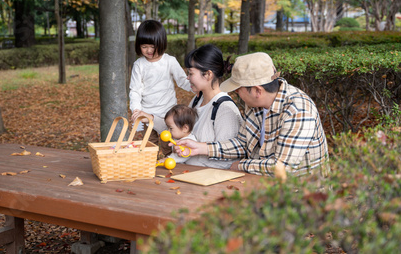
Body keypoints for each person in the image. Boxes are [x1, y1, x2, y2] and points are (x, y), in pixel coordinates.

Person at [176, 52, 330, 177]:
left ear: (257, 91)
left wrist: (240, 165)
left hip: (302, 197)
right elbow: (243, 144)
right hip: (262, 185)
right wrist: (201, 148)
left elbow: (283, 167)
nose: (236, 93)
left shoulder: (298, 110)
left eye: (238, 89)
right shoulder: (255, 105)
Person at [129, 20, 192, 155]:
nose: (149, 51)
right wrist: (136, 109)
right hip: (146, 115)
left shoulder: (169, 61)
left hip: (167, 114)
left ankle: (171, 166)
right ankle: (150, 168)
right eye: (144, 47)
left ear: (161, 43)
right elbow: (135, 90)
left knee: (168, 146)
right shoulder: (139, 65)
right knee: (148, 146)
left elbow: (182, 81)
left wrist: (197, 88)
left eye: (152, 46)